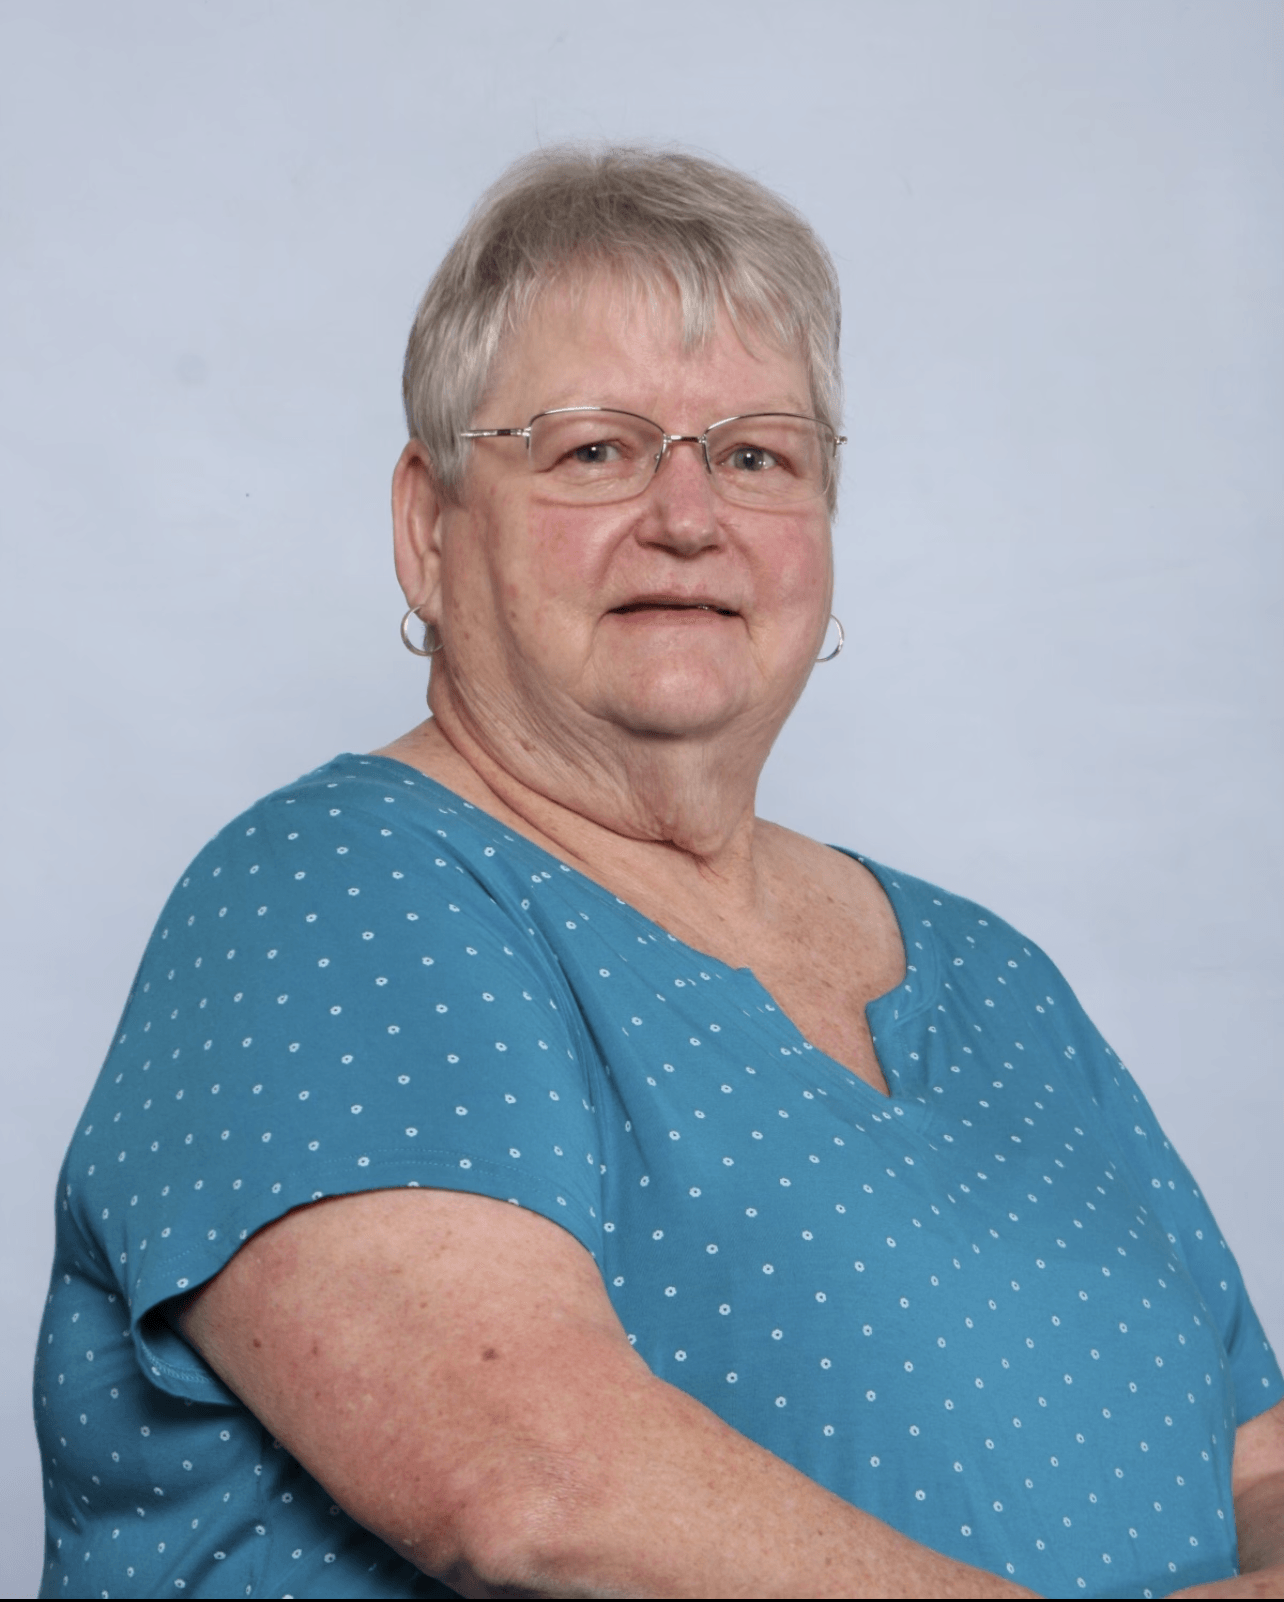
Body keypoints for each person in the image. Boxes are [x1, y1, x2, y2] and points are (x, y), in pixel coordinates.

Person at [35, 146, 1283, 1602]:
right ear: (429, 530)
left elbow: (1253, 1450)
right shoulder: (332, 892)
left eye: (756, 454)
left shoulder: (996, 974)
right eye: (594, 450)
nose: (689, 515)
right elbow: (536, 1483)